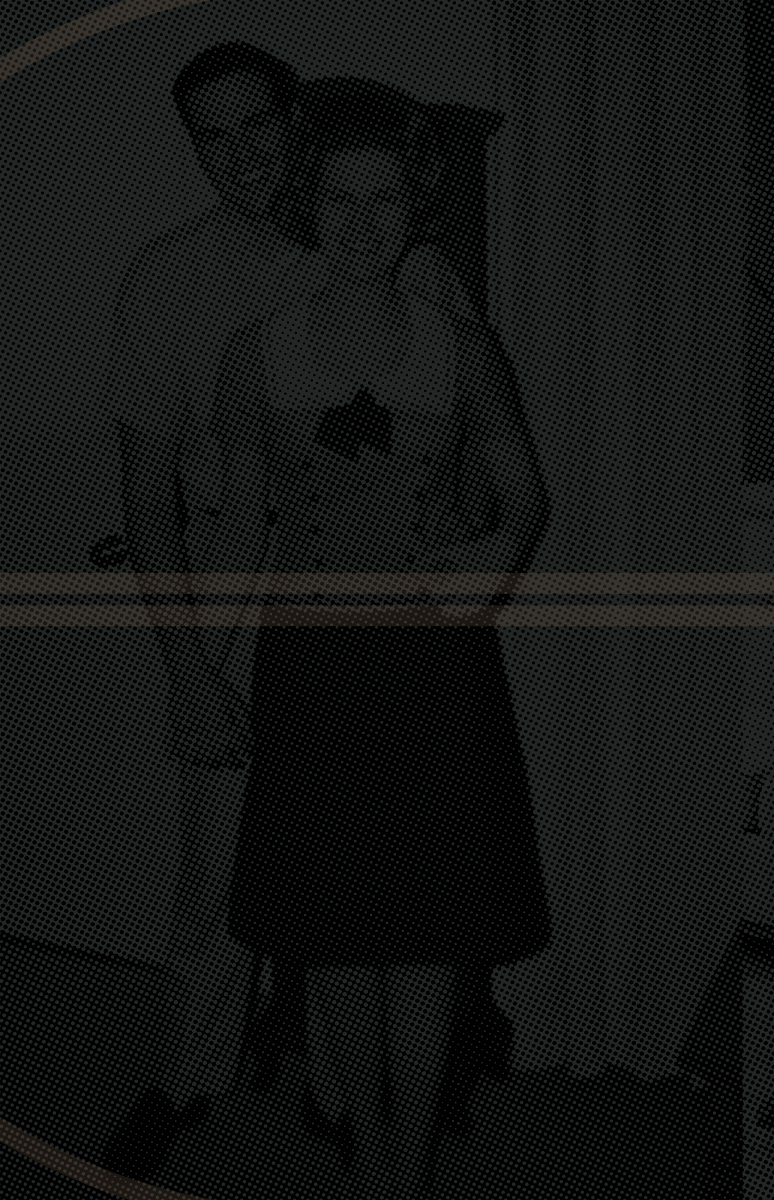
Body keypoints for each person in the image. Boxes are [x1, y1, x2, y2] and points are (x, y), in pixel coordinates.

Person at [97, 43, 488, 1182]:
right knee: (215, 868)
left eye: (257, 125)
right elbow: (146, 492)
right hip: (235, 576)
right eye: (210, 138)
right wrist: (187, 673)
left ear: (298, 122)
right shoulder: (166, 278)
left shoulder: (409, 267)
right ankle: (191, 1076)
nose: (239, 156)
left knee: (355, 863)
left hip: (368, 599)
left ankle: (339, 1092)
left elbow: (471, 454)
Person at [206, 94, 552, 1199]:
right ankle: (369, 1152)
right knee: (337, 927)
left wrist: (496, 553)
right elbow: (240, 528)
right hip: (311, 665)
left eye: (386, 198)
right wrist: (199, 672)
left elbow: (525, 496)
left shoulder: (463, 348)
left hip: (434, 665)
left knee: (429, 927)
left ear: (416, 210)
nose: (363, 221)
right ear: (309, 207)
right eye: (341, 197)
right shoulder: (255, 354)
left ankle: (409, 1163)